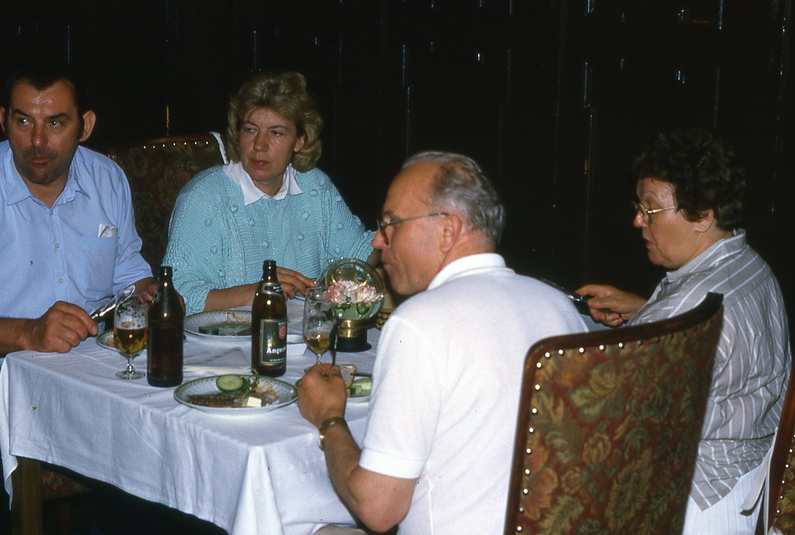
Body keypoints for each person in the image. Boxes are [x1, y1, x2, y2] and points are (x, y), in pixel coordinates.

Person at [296, 151, 587, 534]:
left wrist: (329, 418)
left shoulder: (419, 322)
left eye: (391, 224)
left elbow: (378, 508)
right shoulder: (558, 307)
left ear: (448, 230)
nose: (379, 241)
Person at [0, 63, 154, 529]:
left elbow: (130, 274)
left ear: (85, 126)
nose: (37, 141)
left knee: (156, 467)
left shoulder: (107, 178)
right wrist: (29, 332)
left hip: (92, 369)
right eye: (23, 120)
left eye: (56, 122)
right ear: (2, 120)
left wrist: (148, 294)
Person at [576, 128, 791, 534]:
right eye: (639, 206)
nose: (637, 220)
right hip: (747, 479)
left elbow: (622, 413)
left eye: (651, 209)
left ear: (702, 215)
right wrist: (644, 309)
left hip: (694, 503)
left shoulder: (684, 306)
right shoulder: (752, 267)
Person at [162, 71, 375, 313]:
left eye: (276, 133)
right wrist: (256, 292)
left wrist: (393, 234)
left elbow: (356, 255)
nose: (259, 145)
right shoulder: (203, 197)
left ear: (299, 141)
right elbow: (175, 294)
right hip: (227, 343)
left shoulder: (314, 185)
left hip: (302, 336)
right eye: (251, 130)